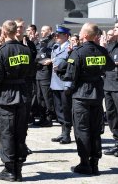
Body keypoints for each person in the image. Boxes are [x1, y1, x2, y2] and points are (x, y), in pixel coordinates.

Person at [63, 23, 115, 175]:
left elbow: (70, 75)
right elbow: (110, 66)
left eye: (80, 31)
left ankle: (85, 163)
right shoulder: (102, 51)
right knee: (95, 130)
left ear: (85, 35)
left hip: (81, 95)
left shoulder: (78, 52)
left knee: (82, 130)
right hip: (97, 94)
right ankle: (95, 163)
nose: (78, 33)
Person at [0, 20, 31, 182]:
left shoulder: (0, 52)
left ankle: (9, 170)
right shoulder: (27, 51)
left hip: (6, 97)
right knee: (20, 132)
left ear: (4, 33)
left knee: (7, 133)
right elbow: (30, 72)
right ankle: (18, 168)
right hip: (22, 95)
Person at [49, 25, 73, 144]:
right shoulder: (56, 47)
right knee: (59, 109)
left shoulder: (71, 48)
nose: (56, 36)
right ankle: (63, 131)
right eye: (56, 35)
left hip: (64, 82)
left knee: (66, 109)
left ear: (66, 36)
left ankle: (67, 134)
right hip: (55, 82)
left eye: (59, 35)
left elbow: (71, 66)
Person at [34, 25, 55, 127]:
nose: (42, 32)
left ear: (50, 31)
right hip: (38, 73)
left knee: (47, 97)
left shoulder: (52, 43)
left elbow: (48, 58)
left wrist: (41, 60)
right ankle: (42, 117)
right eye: (41, 30)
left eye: (44, 30)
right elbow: (37, 57)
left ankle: (49, 118)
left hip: (46, 73)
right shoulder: (41, 43)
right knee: (39, 97)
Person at [103, 23, 118, 157]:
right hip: (108, 84)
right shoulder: (111, 45)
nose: (114, 30)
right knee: (111, 115)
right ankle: (117, 142)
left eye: (117, 28)